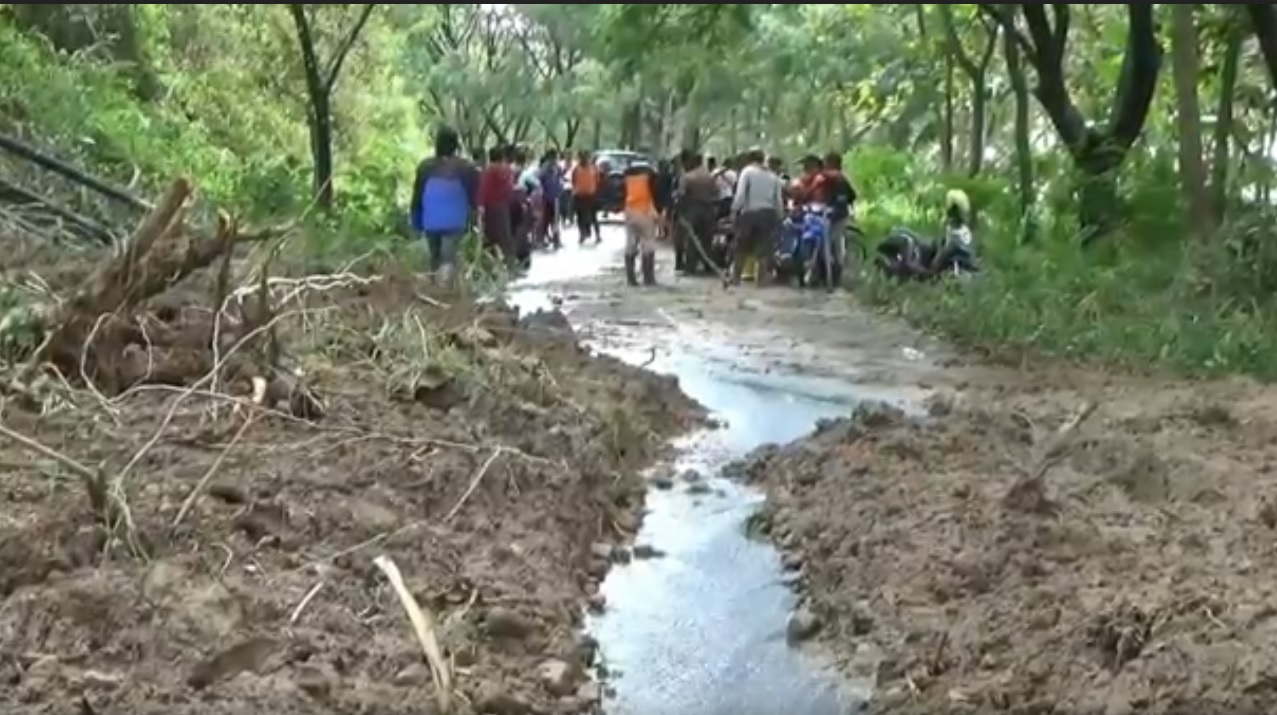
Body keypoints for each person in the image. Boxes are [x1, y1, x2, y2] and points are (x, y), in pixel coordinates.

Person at [410, 126, 479, 286]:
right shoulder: (466, 168)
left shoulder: (425, 167)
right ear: (455, 146)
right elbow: (474, 196)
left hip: (430, 220)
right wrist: (475, 218)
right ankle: (445, 288)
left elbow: (417, 196)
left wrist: (415, 220)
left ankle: (436, 287)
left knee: (435, 256)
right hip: (455, 220)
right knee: (448, 255)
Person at [730, 148, 784, 286]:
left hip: (750, 213)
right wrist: (780, 216)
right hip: (768, 213)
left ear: (749, 159)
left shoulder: (747, 172)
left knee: (742, 246)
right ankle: (761, 280)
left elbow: (741, 194)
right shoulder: (773, 176)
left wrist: (735, 210)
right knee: (763, 248)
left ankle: (735, 278)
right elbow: (778, 200)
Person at [675, 152, 719, 275]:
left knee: (692, 239)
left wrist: (679, 212)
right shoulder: (710, 177)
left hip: (693, 209)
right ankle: (708, 266)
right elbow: (716, 193)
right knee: (707, 239)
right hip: (708, 209)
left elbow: (681, 195)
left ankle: (690, 267)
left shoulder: (688, 177)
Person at [621, 159, 661, 285]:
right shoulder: (649, 179)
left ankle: (631, 278)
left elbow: (622, 195)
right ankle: (648, 278)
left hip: (630, 213)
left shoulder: (628, 180)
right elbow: (656, 195)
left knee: (630, 245)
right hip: (645, 213)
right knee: (648, 245)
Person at [476, 145, 515, 267]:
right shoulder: (508, 170)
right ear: (502, 157)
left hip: (490, 207)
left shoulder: (488, 171)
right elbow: (510, 188)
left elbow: (483, 189)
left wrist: (480, 205)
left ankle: (491, 265)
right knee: (505, 237)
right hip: (503, 207)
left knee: (489, 238)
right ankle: (510, 264)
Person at [571, 150, 602, 243]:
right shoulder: (576, 169)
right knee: (580, 216)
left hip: (590, 195)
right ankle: (582, 234)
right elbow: (573, 181)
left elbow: (598, 180)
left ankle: (597, 235)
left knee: (593, 216)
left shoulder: (594, 168)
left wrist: (596, 191)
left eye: (585, 157)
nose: (584, 159)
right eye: (582, 157)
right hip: (579, 196)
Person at [537, 150, 564, 248]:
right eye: (555, 157)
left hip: (555, 197)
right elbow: (540, 177)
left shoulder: (557, 167)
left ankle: (556, 239)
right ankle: (542, 239)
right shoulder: (545, 167)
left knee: (555, 220)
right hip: (546, 197)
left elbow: (561, 177)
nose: (556, 159)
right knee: (546, 219)